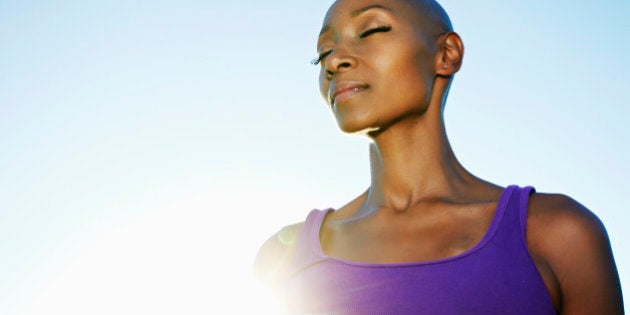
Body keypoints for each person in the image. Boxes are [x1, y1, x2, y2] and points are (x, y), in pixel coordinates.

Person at [255, 0, 624, 313]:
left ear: (446, 54)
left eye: (371, 30)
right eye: (323, 52)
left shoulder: (557, 232)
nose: (334, 61)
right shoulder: (281, 260)